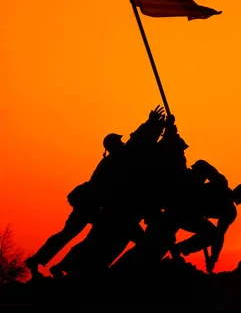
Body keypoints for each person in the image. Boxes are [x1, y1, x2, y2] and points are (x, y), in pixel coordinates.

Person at [25, 106, 165, 279]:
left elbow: (134, 144)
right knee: (75, 234)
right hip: (89, 204)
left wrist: (152, 124)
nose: (122, 143)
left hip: (93, 204)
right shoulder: (112, 162)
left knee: (76, 235)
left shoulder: (115, 160)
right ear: (114, 146)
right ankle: (46, 262)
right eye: (119, 142)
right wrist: (151, 124)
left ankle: (49, 263)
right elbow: (134, 144)